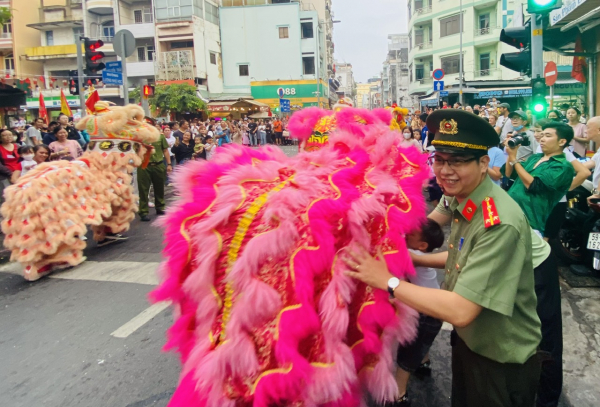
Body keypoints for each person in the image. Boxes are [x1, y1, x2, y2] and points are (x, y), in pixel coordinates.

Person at [344, 109, 542, 407]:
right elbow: (439, 234)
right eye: (440, 160)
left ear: (484, 163)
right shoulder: (462, 193)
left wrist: (387, 280)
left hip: (499, 357)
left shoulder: (498, 222)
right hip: (471, 343)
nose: (445, 171)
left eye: (458, 161)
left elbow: (461, 311)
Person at [391, 219, 445, 406]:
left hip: (427, 313)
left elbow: (392, 245)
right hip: (434, 308)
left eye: (411, 233)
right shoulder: (420, 253)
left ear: (422, 246)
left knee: (408, 353)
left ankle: (398, 394)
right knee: (422, 343)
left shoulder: (411, 254)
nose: (406, 232)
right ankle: (424, 364)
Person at [503, 121, 575, 238]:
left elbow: (534, 185)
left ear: (562, 141)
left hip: (531, 222)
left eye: (548, 136)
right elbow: (508, 173)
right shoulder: (535, 158)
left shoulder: (563, 166)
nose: (542, 139)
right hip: (511, 215)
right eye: (542, 135)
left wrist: (513, 159)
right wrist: (511, 152)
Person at [138, 130, 172, 222]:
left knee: (159, 187)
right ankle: (143, 211)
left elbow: (165, 150)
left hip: (158, 164)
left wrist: (169, 164)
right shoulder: (138, 137)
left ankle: (160, 207)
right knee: (143, 189)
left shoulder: (160, 137)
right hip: (144, 165)